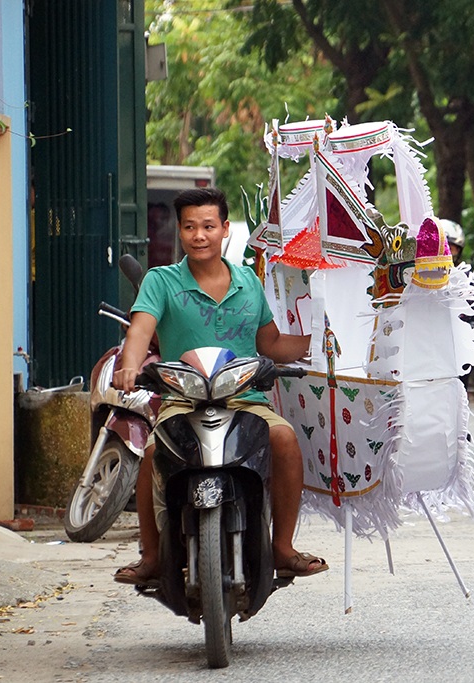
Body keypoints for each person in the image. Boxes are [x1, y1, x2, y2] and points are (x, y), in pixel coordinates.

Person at [112, 187, 328, 584]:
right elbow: (141, 329)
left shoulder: (248, 281)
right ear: (179, 232)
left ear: (225, 229)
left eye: (208, 226)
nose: (199, 235)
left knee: (284, 440)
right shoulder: (161, 281)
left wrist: (328, 342)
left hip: (244, 398)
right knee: (153, 453)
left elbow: (272, 345)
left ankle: (281, 547)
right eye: (190, 227)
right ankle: (153, 554)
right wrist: (128, 366)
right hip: (183, 401)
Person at [440, 218, 474, 336]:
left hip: (458, 338)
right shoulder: (418, 276)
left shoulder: (466, 277)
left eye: (451, 248)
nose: (447, 253)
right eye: (442, 247)